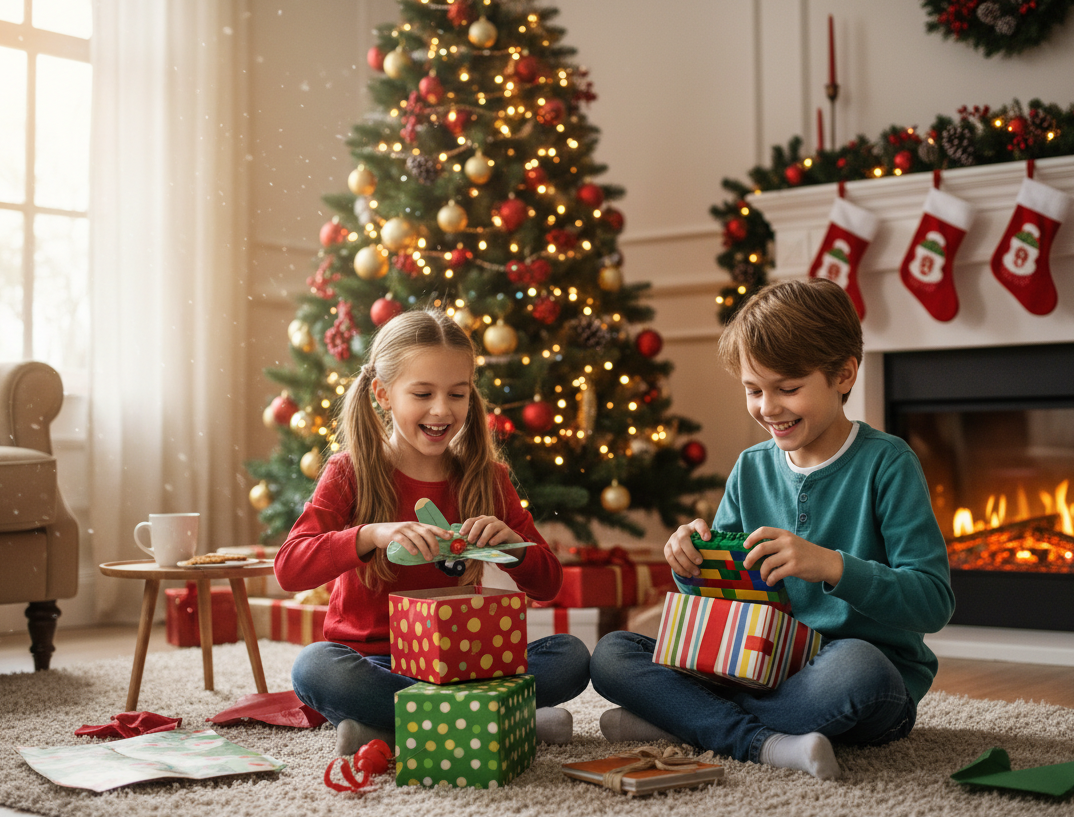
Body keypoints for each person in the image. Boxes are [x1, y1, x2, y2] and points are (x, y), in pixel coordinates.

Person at [590, 278, 954, 781]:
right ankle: (758, 738)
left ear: (844, 375)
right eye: (753, 390)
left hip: (856, 681)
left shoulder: (888, 464)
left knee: (858, 667)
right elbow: (726, 603)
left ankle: (688, 724)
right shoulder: (751, 467)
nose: (768, 407)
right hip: (757, 669)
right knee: (612, 654)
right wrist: (691, 565)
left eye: (788, 388)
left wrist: (830, 565)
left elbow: (933, 602)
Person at [276, 308, 589, 756]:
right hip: (375, 662)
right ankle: (498, 719)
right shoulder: (349, 472)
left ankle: (398, 727)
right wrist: (370, 535)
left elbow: (550, 583)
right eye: (422, 393)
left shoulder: (488, 477)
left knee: (571, 656)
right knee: (314, 667)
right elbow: (290, 568)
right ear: (383, 394)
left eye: (457, 394)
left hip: (469, 662)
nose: (441, 410)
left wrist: (513, 547)